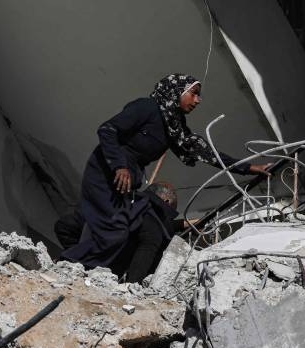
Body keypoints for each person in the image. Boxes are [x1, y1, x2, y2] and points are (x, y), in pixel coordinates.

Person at [58, 73, 270, 274]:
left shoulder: (174, 127)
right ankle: (68, 265)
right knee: (111, 230)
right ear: (176, 91)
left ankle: (82, 269)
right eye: (193, 93)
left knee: (119, 230)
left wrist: (248, 168)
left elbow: (204, 151)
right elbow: (108, 130)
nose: (198, 100)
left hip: (128, 180)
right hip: (106, 172)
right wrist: (118, 165)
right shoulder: (146, 108)